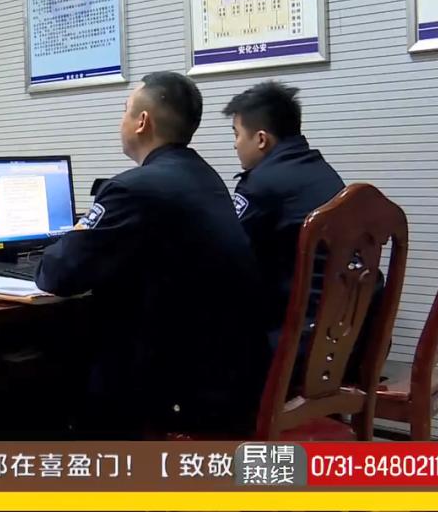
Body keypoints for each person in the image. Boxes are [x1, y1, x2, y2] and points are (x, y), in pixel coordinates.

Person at [35, 72, 271, 438]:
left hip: (176, 393)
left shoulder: (133, 188)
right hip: (229, 378)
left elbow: (58, 274)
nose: (121, 120)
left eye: (125, 110)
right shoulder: (206, 179)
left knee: (48, 377)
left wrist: (79, 231)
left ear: (142, 121)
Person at [221, 82, 345, 336]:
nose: (235, 145)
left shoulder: (259, 184)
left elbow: (230, 256)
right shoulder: (321, 169)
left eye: (237, 134)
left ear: (261, 139)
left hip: (299, 335)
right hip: (346, 327)